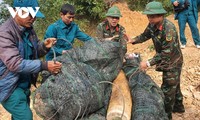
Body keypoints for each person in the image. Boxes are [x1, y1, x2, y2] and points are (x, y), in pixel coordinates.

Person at [0, 0, 62, 119]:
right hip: (9, 85)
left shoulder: (29, 29)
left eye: (34, 15)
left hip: (24, 83)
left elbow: (33, 53)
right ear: (15, 12)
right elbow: (15, 64)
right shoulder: (4, 33)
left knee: (19, 116)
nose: (33, 18)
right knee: (25, 116)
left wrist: (44, 46)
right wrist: (44, 66)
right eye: (29, 14)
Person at [127, 1, 184, 120]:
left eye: (152, 16)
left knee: (167, 90)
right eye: (148, 16)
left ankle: (166, 115)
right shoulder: (152, 25)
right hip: (165, 60)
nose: (150, 18)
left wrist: (147, 63)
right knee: (174, 85)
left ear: (161, 15)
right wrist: (133, 40)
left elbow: (166, 53)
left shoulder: (169, 29)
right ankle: (179, 107)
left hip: (173, 62)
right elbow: (144, 36)